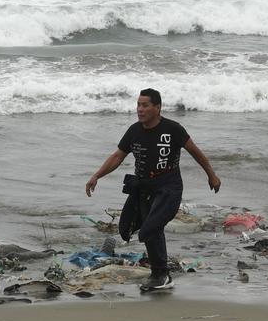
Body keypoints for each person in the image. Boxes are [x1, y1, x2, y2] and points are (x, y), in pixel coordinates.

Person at [86, 88, 221, 292]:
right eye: (138, 105)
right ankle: (158, 273)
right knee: (127, 229)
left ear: (157, 108)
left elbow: (195, 151)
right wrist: (96, 175)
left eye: (145, 105)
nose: (140, 109)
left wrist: (211, 175)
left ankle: (162, 275)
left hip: (169, 187)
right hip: (144, 188)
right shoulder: (134, 131)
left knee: (151, 227)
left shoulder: (173, 129)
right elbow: (117, 156)